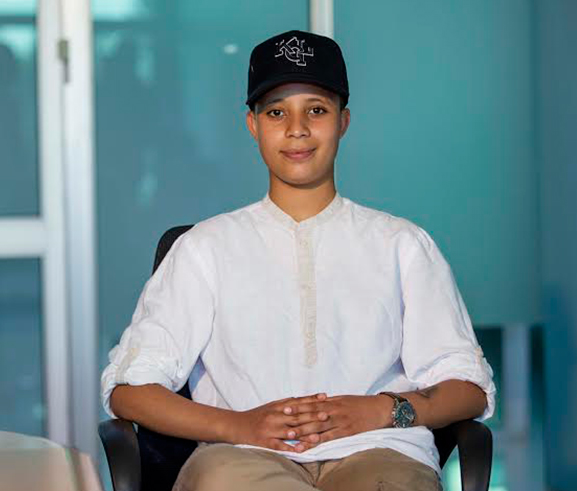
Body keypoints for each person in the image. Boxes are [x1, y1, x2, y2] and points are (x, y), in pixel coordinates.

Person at [101, 30, 496, 491]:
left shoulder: (403, 244)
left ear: (343, 121)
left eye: (316, 110)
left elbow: (468, 386)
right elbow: (129, 390)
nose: (297, 129)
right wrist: (240, 425)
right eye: (275, 112)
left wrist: (383, 409)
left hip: (379, 450)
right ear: (253, 125)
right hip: (242, 456)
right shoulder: (205, 248)